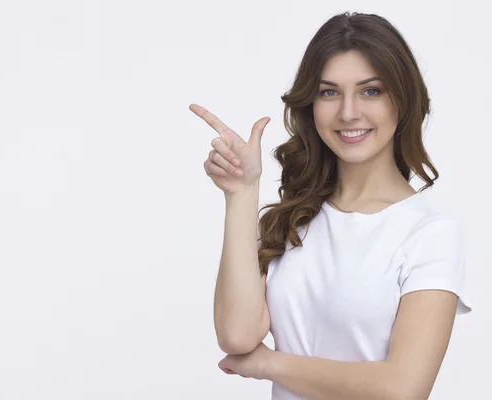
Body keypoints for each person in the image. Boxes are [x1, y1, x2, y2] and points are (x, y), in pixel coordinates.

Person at [189, 11, 472, 400]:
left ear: (402, 101)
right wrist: (240, 193)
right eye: (329, 92)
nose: (348, 112)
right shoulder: (293, 220)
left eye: (371, 90)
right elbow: (237, 335)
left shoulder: (429, 235)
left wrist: (269, 364)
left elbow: (403, 389)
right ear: (311, 104)